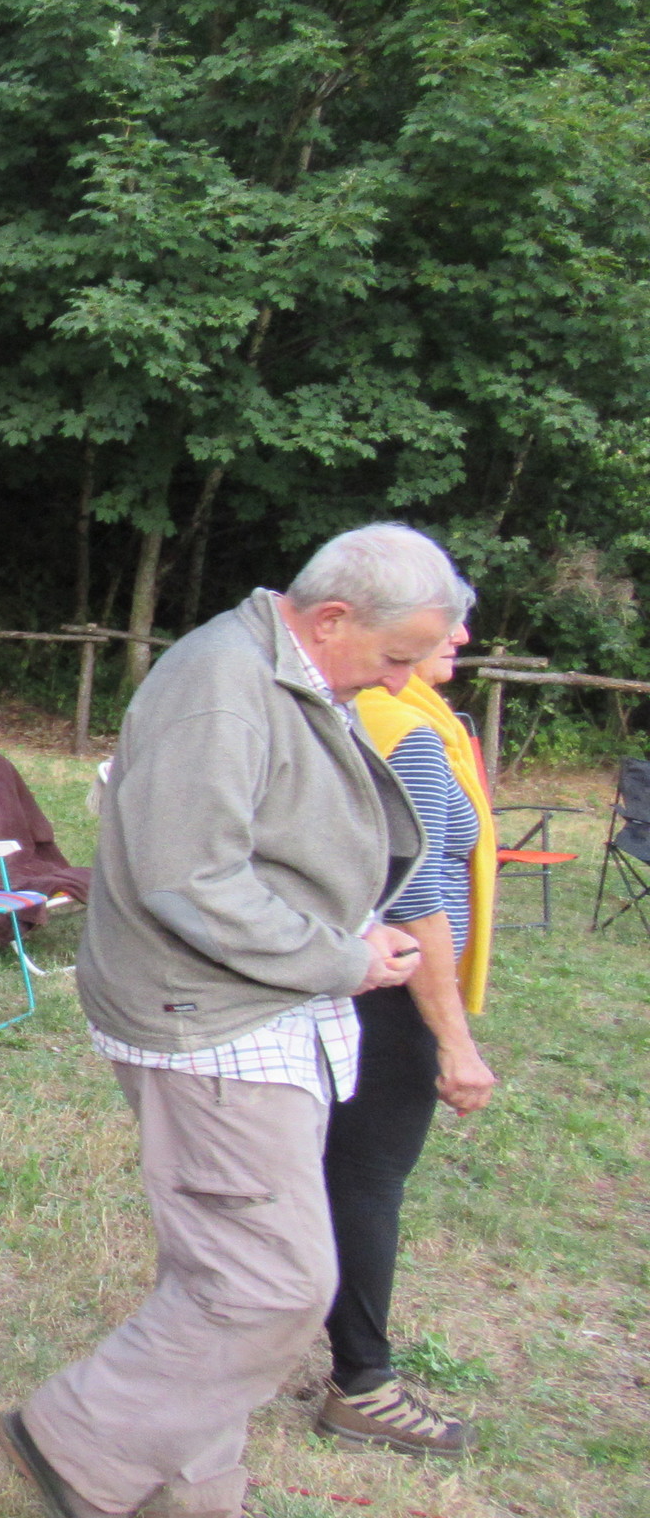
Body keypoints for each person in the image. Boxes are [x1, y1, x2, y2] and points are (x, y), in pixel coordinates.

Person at [0, 523, 462, 1518]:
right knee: (272, 1284)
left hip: (257, 1010)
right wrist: (341, 956)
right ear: (333, 618)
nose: (404, 680)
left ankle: (190, 1485)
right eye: (396, 656)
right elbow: (190, 879)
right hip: (208, 1018)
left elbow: (274, 845)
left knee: (222, 1267)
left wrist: (345, 934)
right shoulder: (223, 684)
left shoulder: (288, 673)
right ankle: (75, 1441)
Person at [331, 616, 500, 1453]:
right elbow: (414, 893)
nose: (463, 632)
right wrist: (455, 1042)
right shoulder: (408, 732)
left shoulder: (387, 716)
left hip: (367, 978)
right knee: (366, 1178)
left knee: (338, 1171)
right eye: (444, 617)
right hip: (393, 989)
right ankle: (363, 1382)